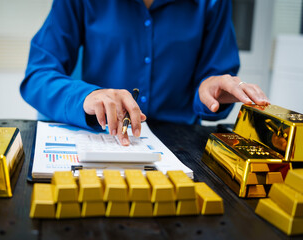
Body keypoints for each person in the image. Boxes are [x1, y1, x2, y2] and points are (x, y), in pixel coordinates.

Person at [20, 0, 269, 146]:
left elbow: (214, 79)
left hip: (183, 149)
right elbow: (38, 75)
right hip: (101, 142)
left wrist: (212, 88)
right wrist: (86, 96)